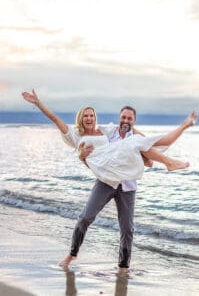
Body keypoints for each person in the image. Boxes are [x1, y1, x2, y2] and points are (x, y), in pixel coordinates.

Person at [22, 90, 197, 271]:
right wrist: (39, 103)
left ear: (134, 121)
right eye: (124, 117)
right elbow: (57, 120)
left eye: (130, 119)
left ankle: (123, 267)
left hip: (127, 186)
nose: (126, 121)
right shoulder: (108, 131)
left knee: (127, 229)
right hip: (105, 182)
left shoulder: (133, 136)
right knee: (85, 218)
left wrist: (184, 126)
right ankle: (71, 254)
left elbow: (161, 143)